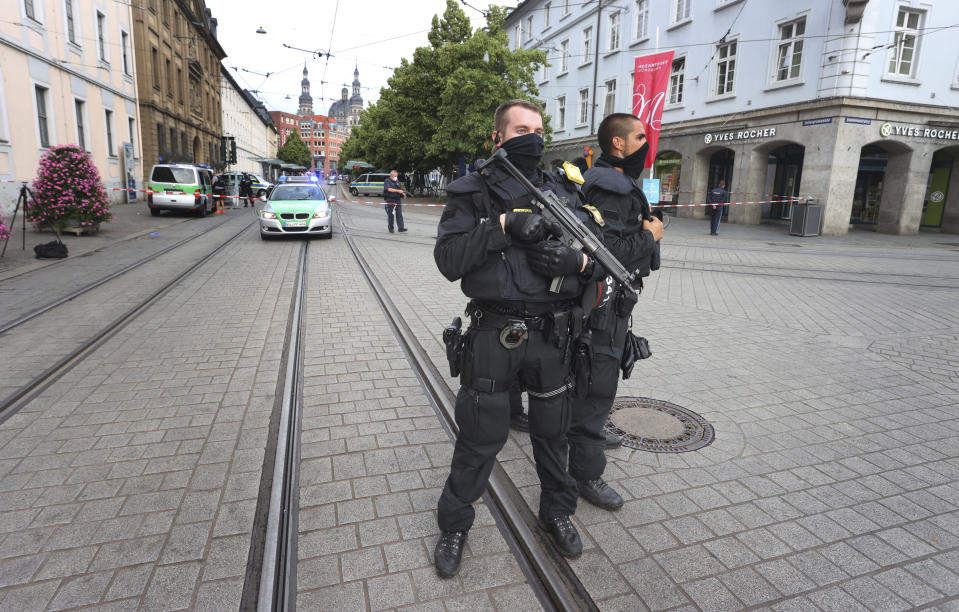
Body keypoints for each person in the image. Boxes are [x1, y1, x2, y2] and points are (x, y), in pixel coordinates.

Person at [433, 99, 597, 578]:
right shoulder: (471, 192)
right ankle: (455, 524)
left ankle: (557, 511)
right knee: (480, 437)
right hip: (493, 332)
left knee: (553, 432)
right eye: (522, 129)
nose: (534, 137)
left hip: (553, 336)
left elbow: (595, 257)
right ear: (498, 138)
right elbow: (448, 260)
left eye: (539, 129)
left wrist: (578, 264)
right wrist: (501, 227)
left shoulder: (561, 189)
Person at [573, 113, 663, 511]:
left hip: (606, 302)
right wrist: (649, 236)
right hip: (603, 303)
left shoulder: (611, 180)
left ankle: (582, 435)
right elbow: (606, 255)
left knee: (591, 375)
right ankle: (586, 472)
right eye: (641, 136)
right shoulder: (610, 186)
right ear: (619, 145)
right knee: (598, 382)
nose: (648, 142)